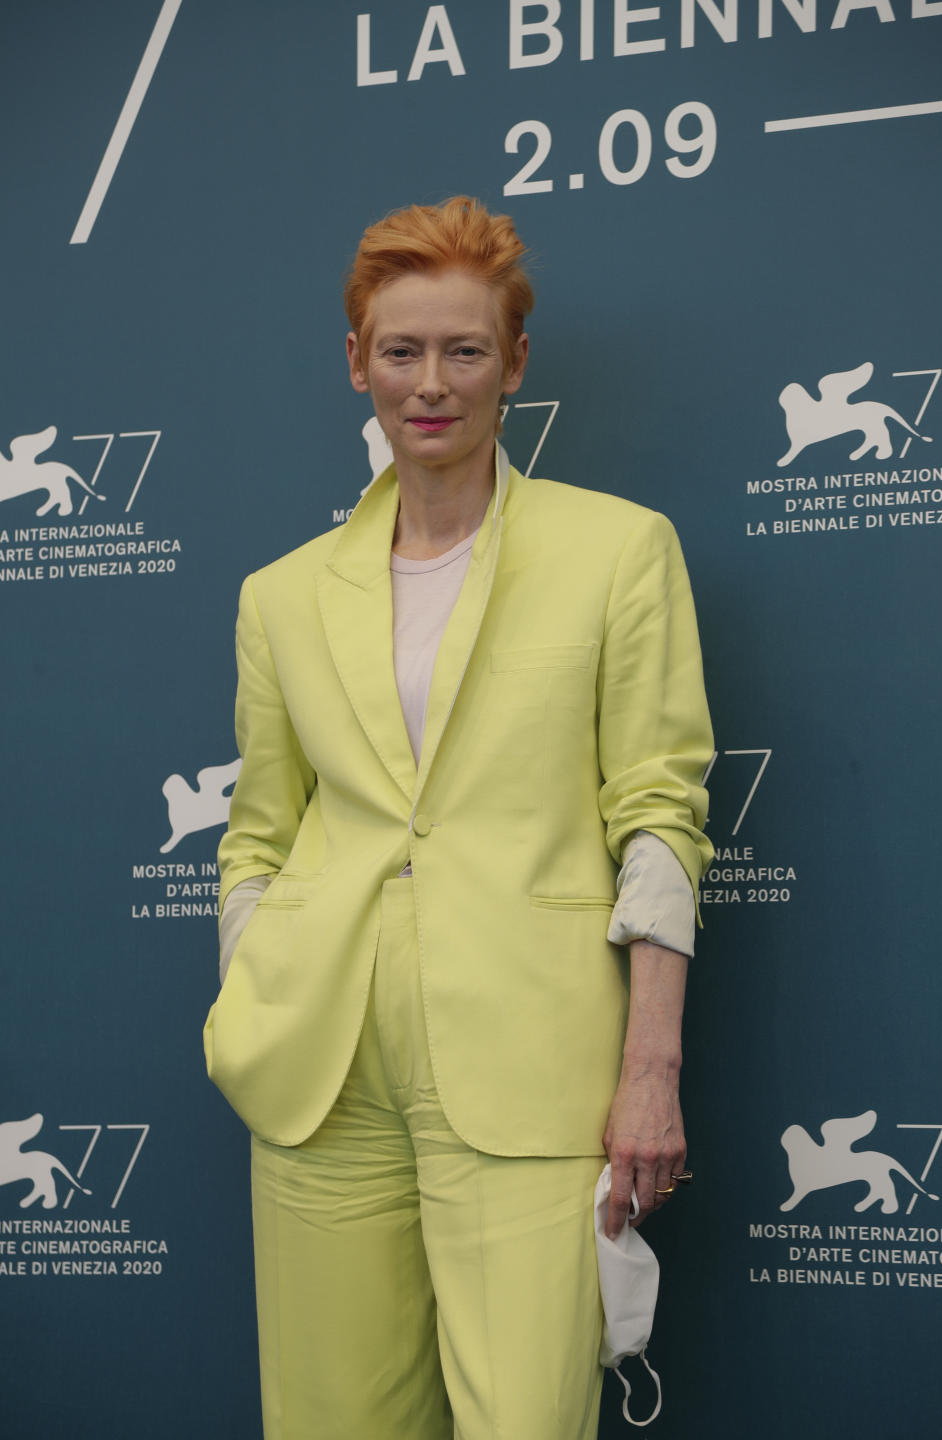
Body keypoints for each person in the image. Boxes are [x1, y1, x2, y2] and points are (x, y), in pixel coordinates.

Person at [204, 196, 713, 1440]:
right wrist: (253, 992)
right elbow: (259, 832)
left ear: (516, 363)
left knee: (526, 1421)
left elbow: (658, 814)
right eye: (402, 350)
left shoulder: (619, 550)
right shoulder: (277, 598)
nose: (431, 384)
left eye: (465, 350)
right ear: (356, 363)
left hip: (530, 1064)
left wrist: (650, 1067)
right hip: (320, 1072)